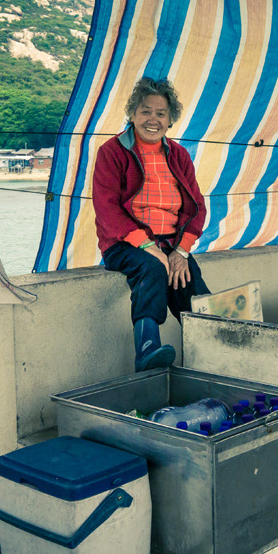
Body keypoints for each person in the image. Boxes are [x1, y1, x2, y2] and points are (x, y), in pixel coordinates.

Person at [92, 77, 209, 371]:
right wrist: (147, 246)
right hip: (124, 243)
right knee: (153, 267)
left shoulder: (179, 155)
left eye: (161, 113)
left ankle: (213, 352)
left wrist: (181, 251)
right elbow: (106, 208)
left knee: (190, 282)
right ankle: (146, 349)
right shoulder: (112, 151)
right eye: (145, 111)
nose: (152, 119)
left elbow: (196, 207)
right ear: (133, 114)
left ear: (170, 121)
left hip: (170, 243)